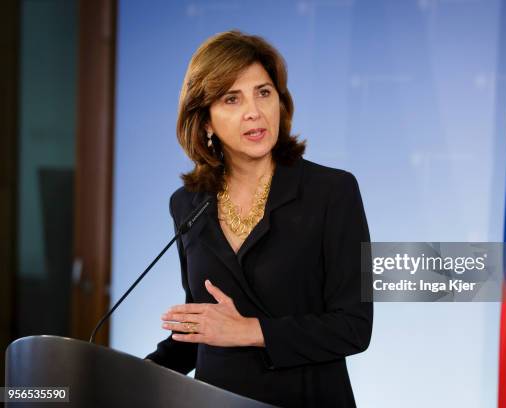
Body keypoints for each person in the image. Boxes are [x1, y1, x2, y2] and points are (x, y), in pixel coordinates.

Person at [145, 30, 373, 408]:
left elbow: (354, 327)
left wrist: (250, 330)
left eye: (263, 92)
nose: (254, 111)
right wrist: (121, 375)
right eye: (232, 99)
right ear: (205, 121)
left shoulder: (332, 191)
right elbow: (203, 328)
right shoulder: (187, 204)